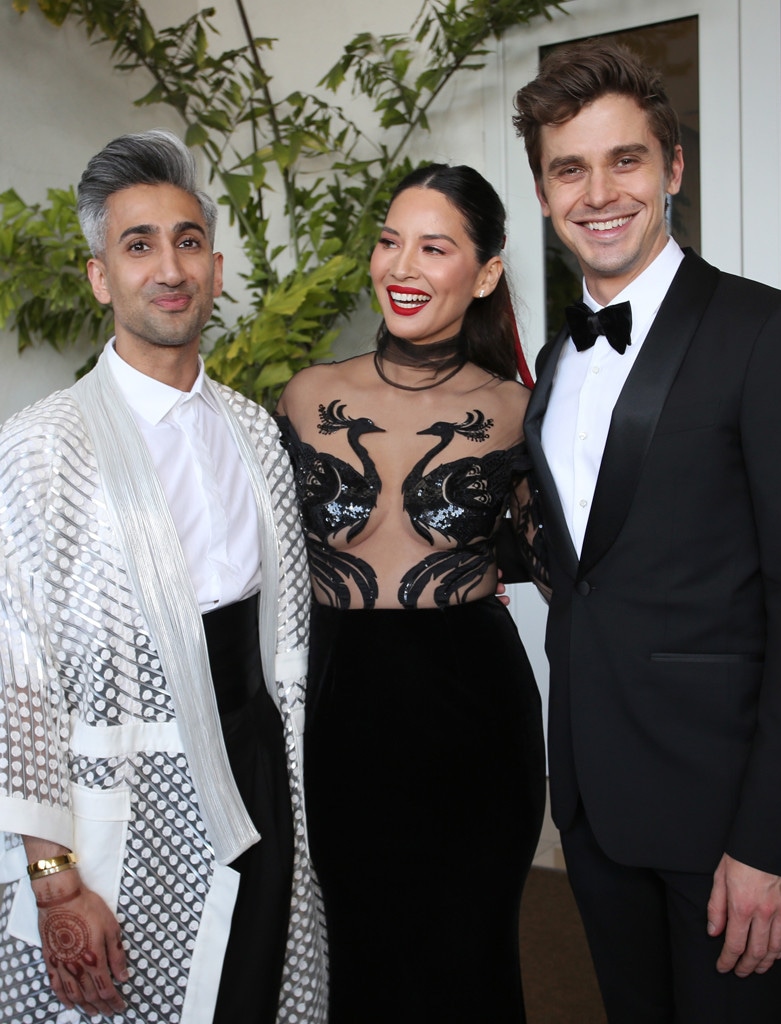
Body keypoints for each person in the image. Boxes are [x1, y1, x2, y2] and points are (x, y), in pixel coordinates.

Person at [0, 129, 326, 1024]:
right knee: (128, 999)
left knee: (249, 987)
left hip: (257, 758)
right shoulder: (41, 449)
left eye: (187, 241)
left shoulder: (255, 432)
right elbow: (15, 671)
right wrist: (54, 878)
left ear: (215, 269)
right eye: (137, 244)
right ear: (101, 275)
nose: (168, 267)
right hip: (123, 791)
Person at [513, 38, 781, 1023]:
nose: (598, 191)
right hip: (591, 801)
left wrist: (772, 839)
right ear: (544, 194)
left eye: (623, 159)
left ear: (671, 169)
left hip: (726, 819)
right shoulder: (552, 361)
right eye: (568, 168)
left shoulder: (765, 333)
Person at [276, 163, 546, 1024]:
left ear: (486, 272)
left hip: (474, 707)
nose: (403, 266)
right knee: (354, 947)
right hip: (338, 702)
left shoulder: (514, 409)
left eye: (434, 247)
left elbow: (569, 563)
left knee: (467, 955)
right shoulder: (309, 395)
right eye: (390, 241)